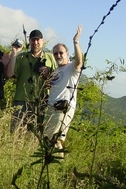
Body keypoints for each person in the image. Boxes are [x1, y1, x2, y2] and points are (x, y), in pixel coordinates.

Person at [6, 29, 57, 133]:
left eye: (38, 40)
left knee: (36, 134)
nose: (35, 43)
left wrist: (47, 75)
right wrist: (15, 53)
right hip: (21, 100)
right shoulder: (21, 57)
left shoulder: (50, 58)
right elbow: (9, 74)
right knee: (16, 132)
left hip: (41, 101)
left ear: (43, 41)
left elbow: (56, 82)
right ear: (29, 41)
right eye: (33, 40)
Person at [44, 25, 83, 155]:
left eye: (61, 52)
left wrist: (76, 42)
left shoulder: (71, 68)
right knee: (49, 138)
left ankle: (58, 164)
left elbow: (79, 62)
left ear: (67, 54)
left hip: (62, 107)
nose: (58, 55)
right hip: (51, 107)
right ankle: (55, 165)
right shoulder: (56, 71)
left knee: (56, 139)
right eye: (55, 53)